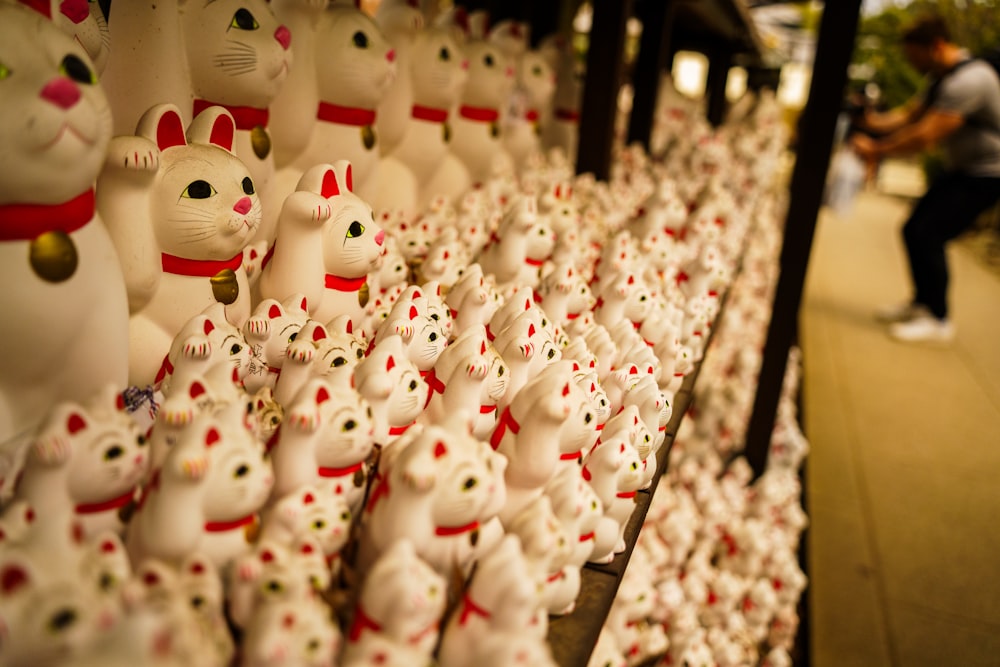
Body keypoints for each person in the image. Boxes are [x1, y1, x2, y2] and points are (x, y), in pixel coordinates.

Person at [851, 13, 1000, 343]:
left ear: (934, 47)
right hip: (963, 170)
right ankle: (922, 303)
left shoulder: (971, 80)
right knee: (913, 229)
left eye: (914, 57)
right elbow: (908, 116)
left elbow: (925, 135)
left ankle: (938, 318)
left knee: (930, 234)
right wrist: (869, 122)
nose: (911, 64)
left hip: (987, 173)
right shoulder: (941, 78)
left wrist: (877, 150)